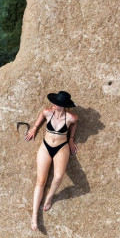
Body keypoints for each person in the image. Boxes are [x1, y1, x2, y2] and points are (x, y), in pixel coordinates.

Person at [24, 90, 78, 230]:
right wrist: (34, 128)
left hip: (61, 147)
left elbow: (75, 124)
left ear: (63, 105)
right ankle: (34, 217)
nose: (53, 104)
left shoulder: (71, 117)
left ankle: (49, 198)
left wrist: (71, 140)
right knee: (40, 181)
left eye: (57, 103)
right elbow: (42, 115)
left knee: (59, 176)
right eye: (54, 102)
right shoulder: (48, 112)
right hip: (45, 147)